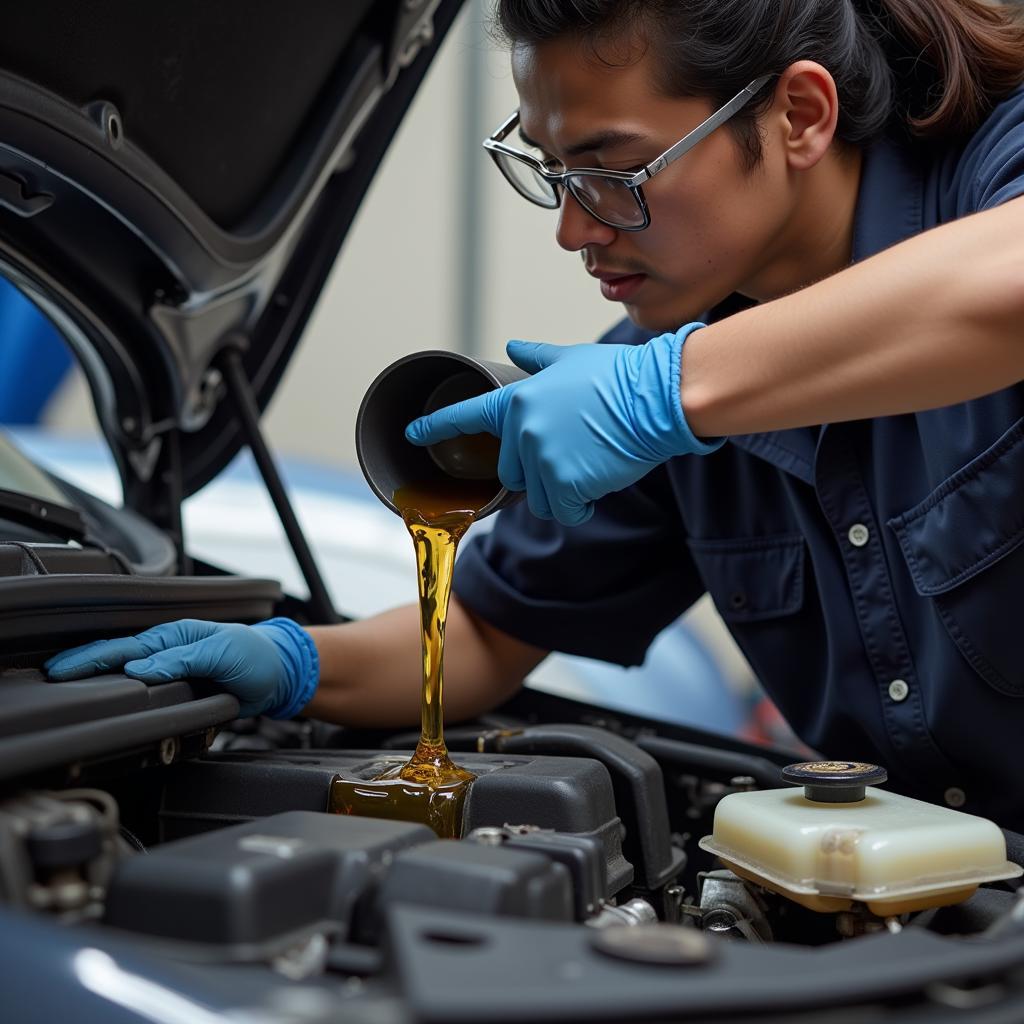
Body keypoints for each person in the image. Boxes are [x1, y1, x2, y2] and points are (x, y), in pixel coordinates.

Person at [46, 0, 1024, 829]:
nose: (574, 228)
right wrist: (288, 663)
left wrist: (667, 391)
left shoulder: (990, 169)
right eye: (552, 172)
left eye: (613, 171)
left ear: (800, 115)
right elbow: (484, 629)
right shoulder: (663, 375)